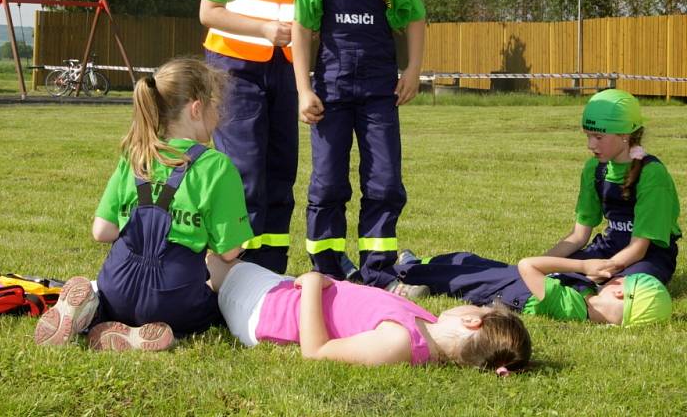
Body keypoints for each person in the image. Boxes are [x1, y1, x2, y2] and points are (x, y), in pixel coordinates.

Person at [35, 57, 254, 350]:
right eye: (214, 104)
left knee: (114, 301)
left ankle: (94, 312)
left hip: (118, 287)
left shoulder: (135, 155)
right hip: (175, 293)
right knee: (212, 311)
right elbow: (229, 251)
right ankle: (160, 330)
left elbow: (101, 231)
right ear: (196, 107)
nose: (218, 113)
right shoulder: (216, 166)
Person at [290, 0, 426, 291]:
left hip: (378, 92)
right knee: (327, 182)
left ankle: (378, 270)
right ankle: (326, 270)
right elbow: (304, 28)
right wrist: (303, 90)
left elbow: (416, 18)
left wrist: (413, 70)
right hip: (328, 90)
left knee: (384, 181)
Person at [199, 0, 323, 274]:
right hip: (234, 70)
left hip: (286, 71)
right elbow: (208, 13)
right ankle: (228, 267)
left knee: (279, 171)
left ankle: (267, 269)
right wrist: (266, 30)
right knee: (245, 172)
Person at [206, 254, 531, 372]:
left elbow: (316, 352)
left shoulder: (401, 343)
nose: (472, 303)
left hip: (264, 309)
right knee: (215, 259)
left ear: (472, 321)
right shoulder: (426, 325)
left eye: (479, 306)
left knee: (212, 263)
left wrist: (313, 286)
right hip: (280, 293)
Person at [544, 89, 681, 284]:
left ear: (625, 135)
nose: (590, 145)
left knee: (617, 293)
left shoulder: (652, 174)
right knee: (552, 278)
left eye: (598, 137)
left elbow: (638, 248)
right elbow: (578, 236)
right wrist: (543, 263)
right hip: (609, 248)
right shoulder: (593, 169)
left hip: (648, 255)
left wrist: (596, 275)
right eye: (588, 136)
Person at [393, 251, 672, 326]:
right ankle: (416, 263)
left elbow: (530, 265)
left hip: (503, 288)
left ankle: (403, 273)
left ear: (620, 291)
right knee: (468, 260)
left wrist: (584, 265)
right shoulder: (586, 302)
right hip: (511, 279)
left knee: (453, 275)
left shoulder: (573, 308)